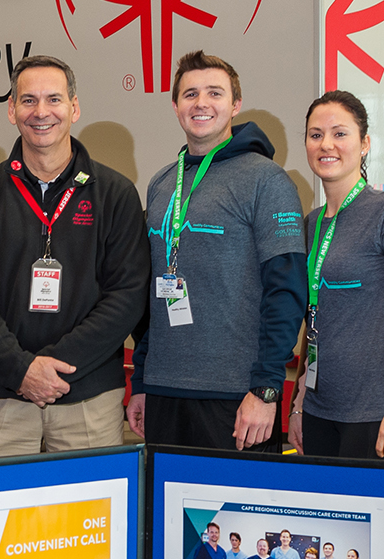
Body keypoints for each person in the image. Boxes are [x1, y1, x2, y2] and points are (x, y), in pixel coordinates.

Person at [0, 55, 150, 458]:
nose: (41, 112)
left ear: (74, 108)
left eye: (54, 99)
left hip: (88, 396)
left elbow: (128, 295)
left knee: (89, 520)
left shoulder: (115, 193)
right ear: (11, 109)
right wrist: (21, 370)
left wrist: (53, 365)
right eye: (28, 100)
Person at [126, 52, 307, 451]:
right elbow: (150, 296)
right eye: (190, 94)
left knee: (235, 513)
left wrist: (266, 388)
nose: (201, 103)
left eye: (214, 92)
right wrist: (141, 380)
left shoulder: (266, 180)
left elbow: (287, 290)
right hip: (164, 388)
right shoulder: (161, 184)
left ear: (235, 104)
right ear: (175, 106)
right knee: (169, 512)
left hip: (237, 394)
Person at [289, 90, 384, 461]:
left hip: (377, 415)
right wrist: (299, 403)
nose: (327, 144)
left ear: (365, 143)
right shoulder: (311, 224)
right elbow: (315, 321)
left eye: (340, 134)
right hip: (320, 412)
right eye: (315, 134)